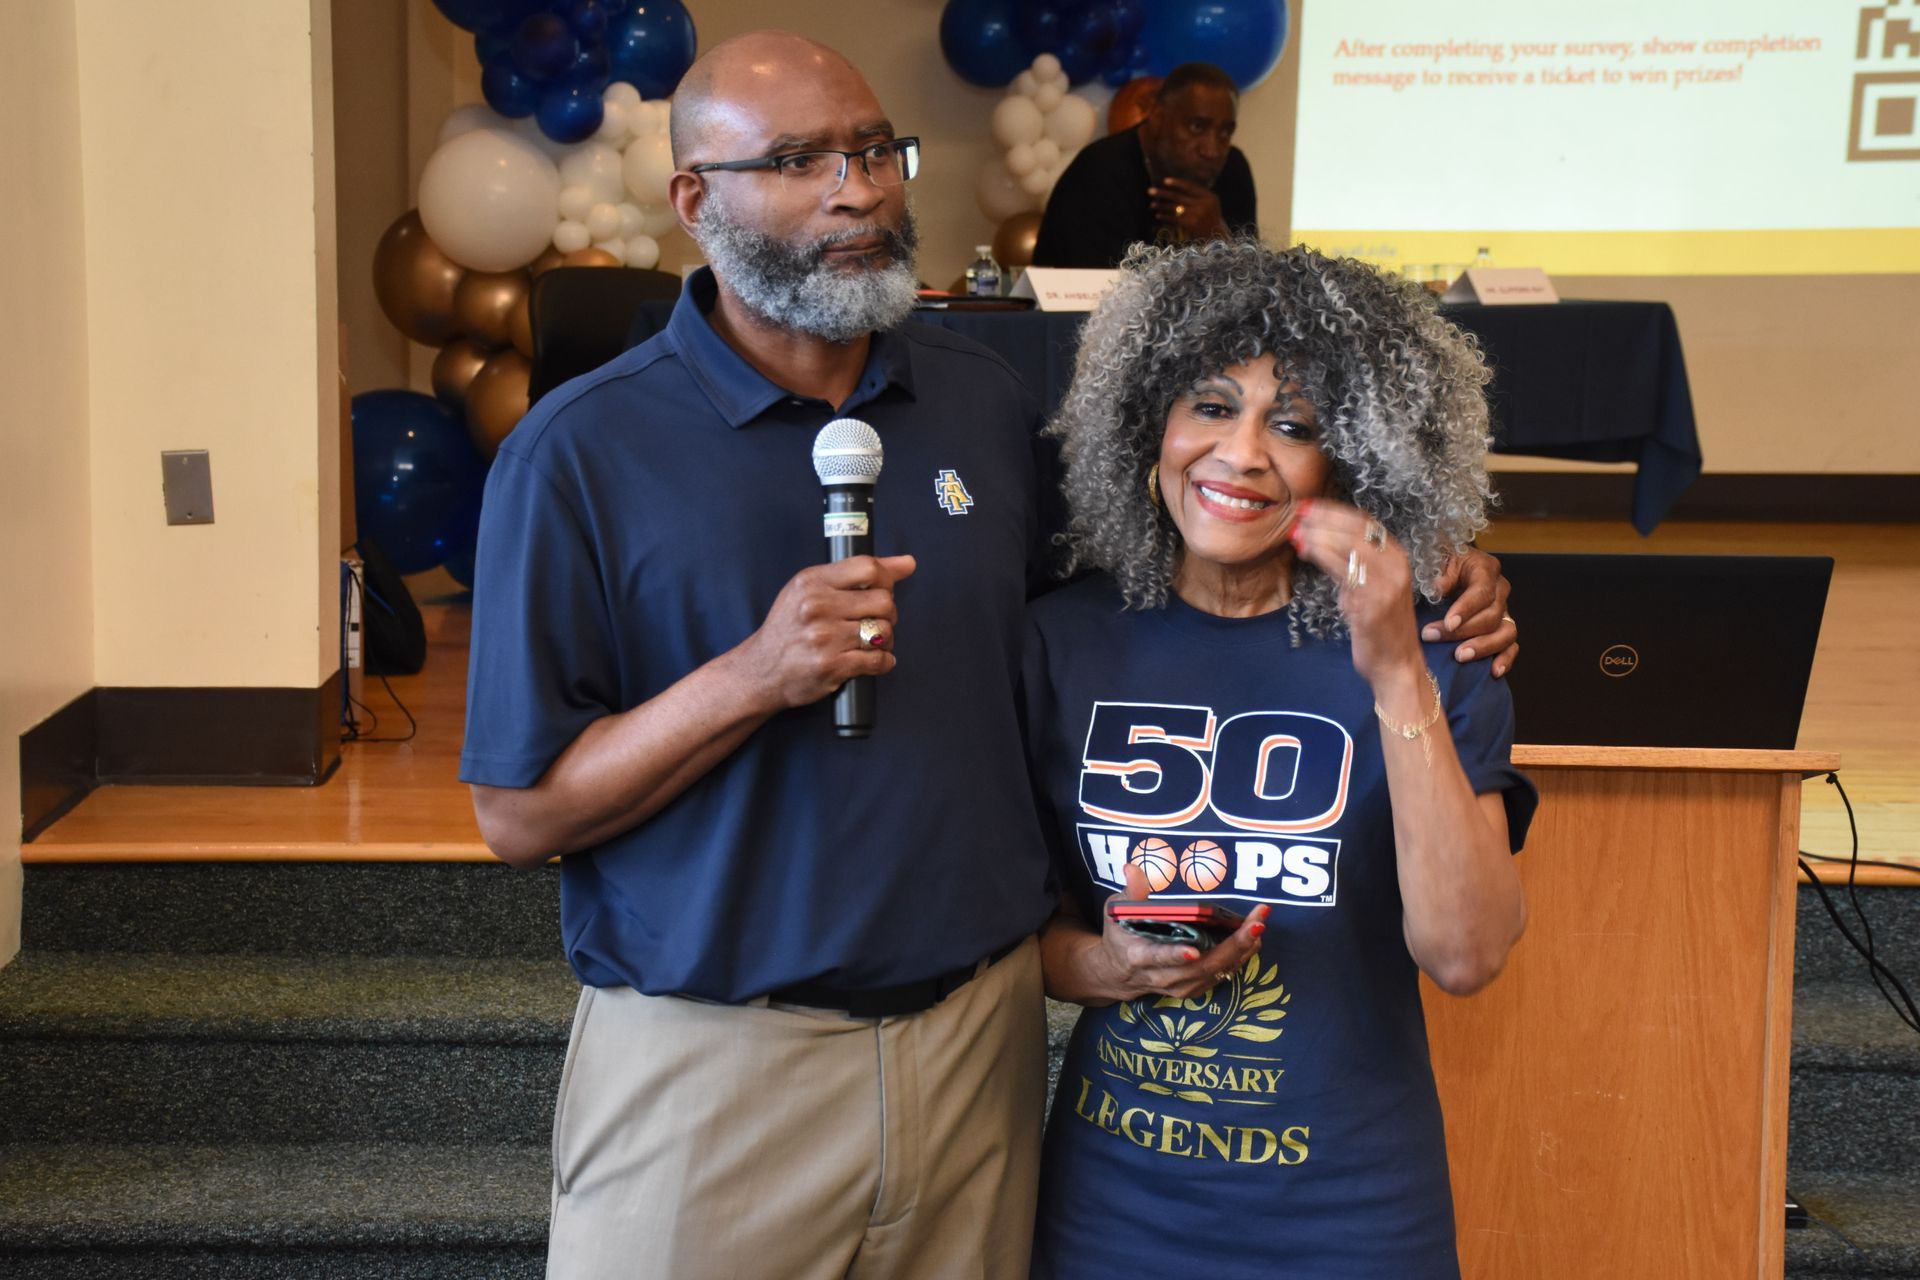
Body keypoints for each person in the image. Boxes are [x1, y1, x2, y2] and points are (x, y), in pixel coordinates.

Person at [461, 31, 1516, 1279]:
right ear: (695, 199)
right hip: (719, 1063)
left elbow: (1194, 540)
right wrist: (755, 674)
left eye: (872, 151)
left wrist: (1444, 564)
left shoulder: (978, 402)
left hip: (980, 1052)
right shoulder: (580, 451)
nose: (854, 188)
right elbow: (519, 814)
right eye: (798, 160)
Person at [1022, 239, 1537, 1279]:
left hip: (1348, 1213)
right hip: (1111, 1211)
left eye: (1293, 425)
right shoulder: (1056, 644)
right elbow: (1011, 933)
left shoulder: (1438, 659)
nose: (1243, 452)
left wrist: (1396, 670)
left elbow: (1467, 952)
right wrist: (1106, 964)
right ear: (1147, 426)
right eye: (1209, 406)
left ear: (1355, 463)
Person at [1031, 62, 1255, 269]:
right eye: (1197, 127)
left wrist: (1218, 240)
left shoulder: (1232, 170)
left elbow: (1255, 294)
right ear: (1157, 116)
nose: (1211, 150)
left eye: (1226, 132)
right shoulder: (1100, 173)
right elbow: (1101, 296)